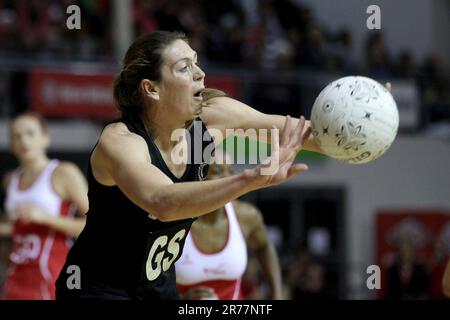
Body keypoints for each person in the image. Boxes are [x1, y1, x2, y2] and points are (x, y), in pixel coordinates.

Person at [55, 30, 390, 300]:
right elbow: (163, 202)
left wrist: (369, 118)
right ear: (151, 89)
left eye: (196, 63)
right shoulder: (121, 141)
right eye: (184, 67)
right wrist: (251, 179)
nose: (200, 73)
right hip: (96, 289)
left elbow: (307, 135)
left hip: (158, 289)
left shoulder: (212, 117)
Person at [0, 112, 88, 300]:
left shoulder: (64, 172)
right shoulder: (10, 180)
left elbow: (99, 225)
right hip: (18, 273)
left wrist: (45, 218)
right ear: (12, 144)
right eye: (16, 136)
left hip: (53, 272)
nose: (23, 140)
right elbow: (16, 228)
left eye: (30, 133)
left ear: (45, 138)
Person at [175, 162, 283, 300]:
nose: (229, 178)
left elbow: (264, 247)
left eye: (230, 171)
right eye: (218, 171)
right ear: (198, 177)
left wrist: (277, 294)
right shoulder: (174, 219)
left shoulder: (246, 215)